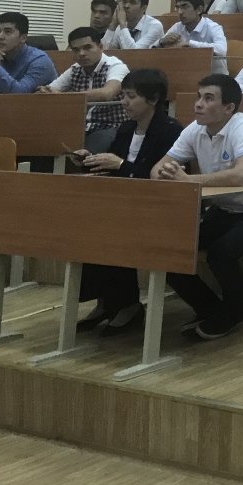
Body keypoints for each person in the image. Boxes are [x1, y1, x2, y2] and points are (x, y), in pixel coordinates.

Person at [153, 74, 243, 340]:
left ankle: (235, 311)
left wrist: (188, 180)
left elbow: (242, 175)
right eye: (198, 97)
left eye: (208, 98)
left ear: (228, 107)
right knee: (169, 249)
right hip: (223, 211)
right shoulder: (195, 129)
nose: (198, 104)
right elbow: (157, 170)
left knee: (220, 253)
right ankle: (210, 308)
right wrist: (165, 173)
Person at [72, 68, 183, 334]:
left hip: (159, 206)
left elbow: (162, 177)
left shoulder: (170, 130)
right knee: (88, 225)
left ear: (153, 99)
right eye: (122, 96)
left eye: (131, 97)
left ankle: (127, 305)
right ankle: (107, 301)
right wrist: (90, 160)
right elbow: (113, 167)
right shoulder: (126, 128)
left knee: (112, 229)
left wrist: (121, 164)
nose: (124, 102)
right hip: (124, 203)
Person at [41, 27, 129, 152]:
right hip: (81, 127)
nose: (81, 53)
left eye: (87, 47)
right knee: (46, 141)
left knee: (86, 151)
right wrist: (46, 91)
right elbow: (50, 90)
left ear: (100, 47)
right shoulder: (75, 69)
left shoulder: (115, 66)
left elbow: (107, 93)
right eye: (76, 50)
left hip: (111, 126)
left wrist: (62, 96)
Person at [0, 11, 56, 94]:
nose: (0, 36)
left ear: (23, 38)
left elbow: (18, 95)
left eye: (8, 32)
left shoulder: (40, 61)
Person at [158, 0, 228, 73]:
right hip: (188, 73)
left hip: (214, 76)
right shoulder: (177, 26)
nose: (180, 12)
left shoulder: (213, 27)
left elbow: (221, 50)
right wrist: (161, 41)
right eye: (178, 7)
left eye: (185, 7)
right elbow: (152, 48)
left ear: (199, 10)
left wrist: (189, 44)